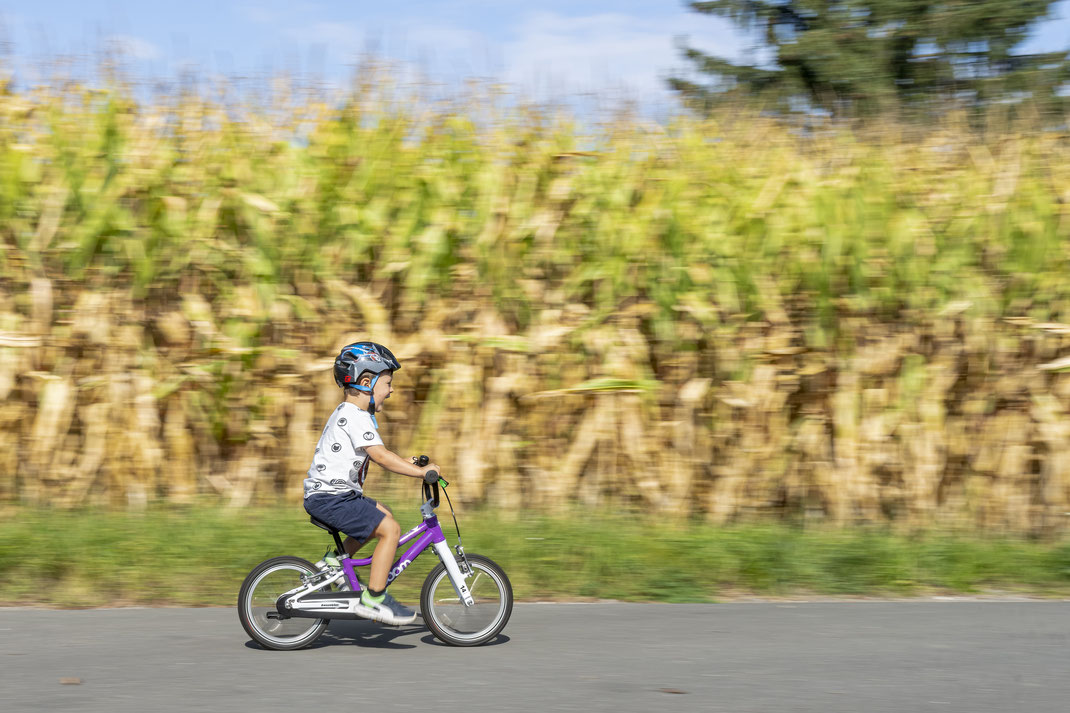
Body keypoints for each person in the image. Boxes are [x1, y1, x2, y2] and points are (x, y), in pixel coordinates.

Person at [302, 341, 441, 625]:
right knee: (391, 530)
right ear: (366, 382)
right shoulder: (355, 416)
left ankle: (335, 564)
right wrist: (420, 474)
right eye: (388, 383)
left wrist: (410, 462)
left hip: (334, 495)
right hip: (332, 497)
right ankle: (374, 599)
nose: (391, 390)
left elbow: (383, 455)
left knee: (384, 513)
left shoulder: (352, 414)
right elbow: (381, 457)